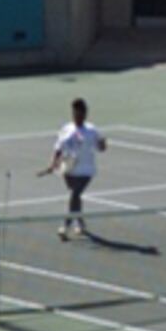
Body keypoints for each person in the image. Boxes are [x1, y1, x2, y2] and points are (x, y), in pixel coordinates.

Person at [44, 98, 107, 241]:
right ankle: (80, 222)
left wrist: (103, 144)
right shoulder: (66, 129)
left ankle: (65, 226)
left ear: (85, 114)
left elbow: (101, 148)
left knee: (74, 194)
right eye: (75, 114)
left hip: (86, 171)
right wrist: (53, 164)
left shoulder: (92, 130)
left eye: (80, 114)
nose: (77, 117)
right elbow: (58, 148)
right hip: (69, 169)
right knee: (76, 197)